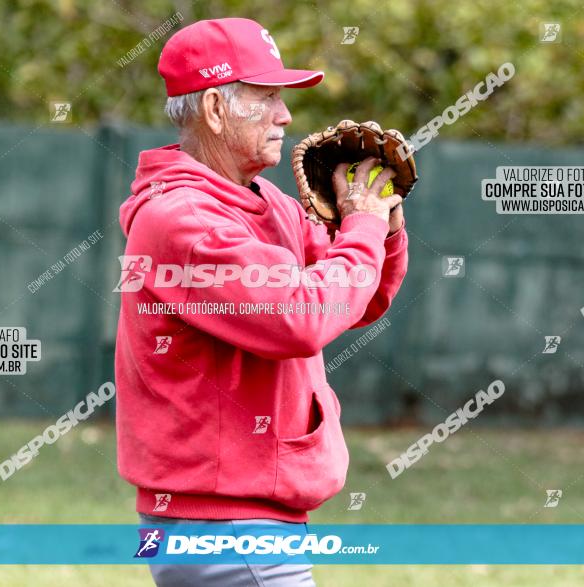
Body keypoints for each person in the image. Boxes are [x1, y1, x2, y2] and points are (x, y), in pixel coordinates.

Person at [114, 17, 409, 586]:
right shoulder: (185, 220)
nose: (286, 115)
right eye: (267, 97)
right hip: (222, 524)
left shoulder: (263, 201)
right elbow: (301, 317)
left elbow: (354, 297)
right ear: (217, 110)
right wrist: (362, 229)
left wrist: (382, 224)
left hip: (246, 517)